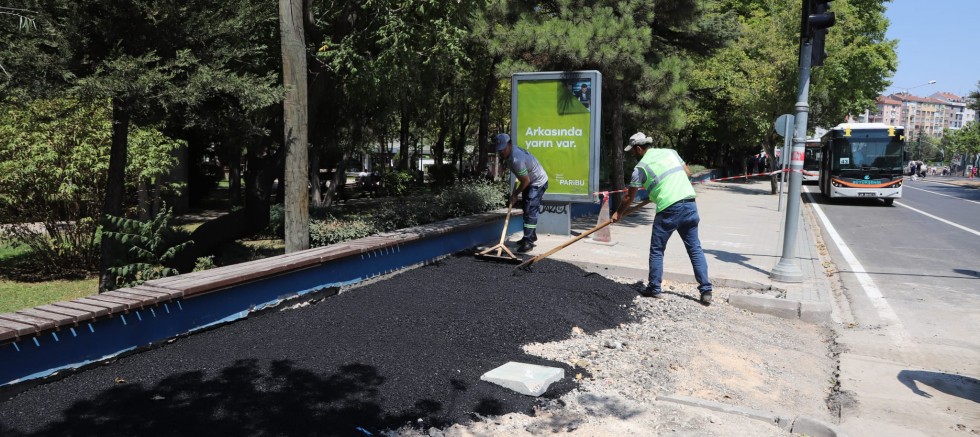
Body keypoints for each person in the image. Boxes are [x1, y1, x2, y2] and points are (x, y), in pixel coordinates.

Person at [611, 132, 713, 305]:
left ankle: (654, 288)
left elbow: (629, 197)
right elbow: (687, 173)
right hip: (689, 203)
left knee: (657, 250)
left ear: (638, 148)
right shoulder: (671, 152)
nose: (633, 155)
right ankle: (706, 290)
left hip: (668, 208)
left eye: (633, 151)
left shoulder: (640, 167)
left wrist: (618, 213)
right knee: (695, 248)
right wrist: (660, 188)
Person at [495, 133, 549, 253]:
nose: (501, 152)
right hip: (529, 181)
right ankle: (530, 236)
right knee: (526, 208)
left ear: (509, 145)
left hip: (537, 182)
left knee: (530, 210)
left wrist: (515, 195)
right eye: (499, 150)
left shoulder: (516, 158)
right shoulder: (509, 155)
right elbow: (523, 178)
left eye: (503, 149)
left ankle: (528, 242)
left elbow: (526, 181)